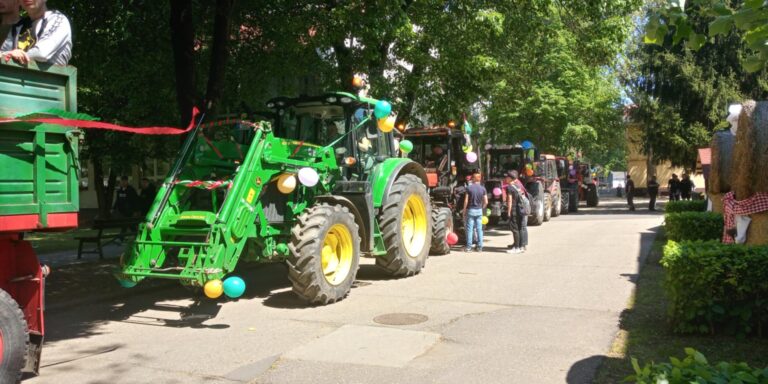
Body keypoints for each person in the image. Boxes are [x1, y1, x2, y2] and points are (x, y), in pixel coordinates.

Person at [3, 0, 72, 65]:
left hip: (47, 76)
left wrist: (12, 55)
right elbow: (2, 51)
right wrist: (10, 53)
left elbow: (42, 53)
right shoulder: (17, 26)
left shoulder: (58, 19)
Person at [463, 171, 487, 253]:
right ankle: (480, 247)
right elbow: (486, 202)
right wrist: (481, 207)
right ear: (479, 179)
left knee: (470, 229)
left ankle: (469, 247)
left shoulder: (469, 188)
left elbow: (466, 201)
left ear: (473, 179)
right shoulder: (483, 189)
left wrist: (464, 210)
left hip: (471, 210)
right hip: (479, 210)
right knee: (479, 229)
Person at [505, 171, 528, 254]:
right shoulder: (517, 186)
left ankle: (516, 247)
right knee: (518, 228)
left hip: (514, 210)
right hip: (520, 210)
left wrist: (508, 212)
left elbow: (510, 201)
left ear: (510, 178)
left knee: (515, 229)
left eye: (507, 177)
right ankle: (521, 246)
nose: (506, 178)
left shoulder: (509, 187)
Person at [113, 176, 138, 242]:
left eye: (125, 181)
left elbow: (135, 200)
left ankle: (122, 238)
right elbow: (117, 200)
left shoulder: (131, 190)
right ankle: (137, 235)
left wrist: (135, 210)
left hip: (129, 211)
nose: (123, 183)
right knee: (128, 224)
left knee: (127, 224)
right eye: (122, 181)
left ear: (127, 182)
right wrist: (114, 208)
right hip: (122, 212)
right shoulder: (120, 190)